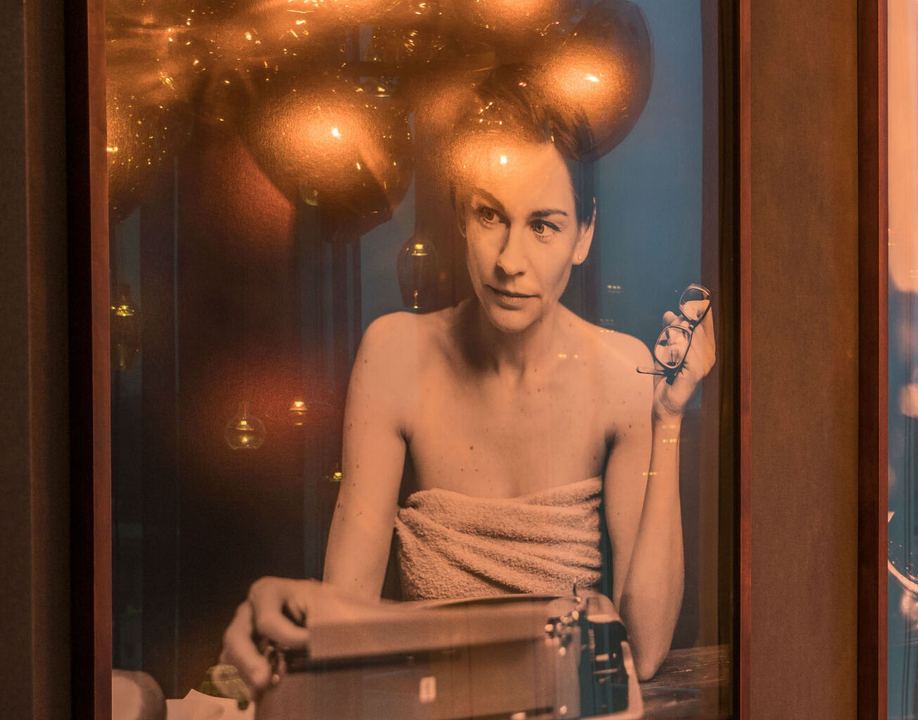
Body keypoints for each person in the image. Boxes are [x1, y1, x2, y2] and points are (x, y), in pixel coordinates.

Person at [218, 66, 716, 696]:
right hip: (427, 702)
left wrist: (667, 420)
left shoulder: (622, 375)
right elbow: (345, 620)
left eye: (544, 225)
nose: (509, 262)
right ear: (461, 215)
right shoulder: (394, 355)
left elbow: (642, 652)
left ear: (584, 234)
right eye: (489, 215)